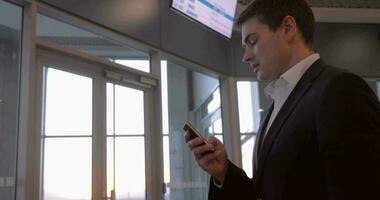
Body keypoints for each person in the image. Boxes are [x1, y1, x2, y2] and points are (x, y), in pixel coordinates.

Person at [184, 0, 380, 199]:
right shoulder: (276, 105)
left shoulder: (340, 90)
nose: (246, 56)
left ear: (287, 28)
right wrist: (224, 172)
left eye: (252, 42)